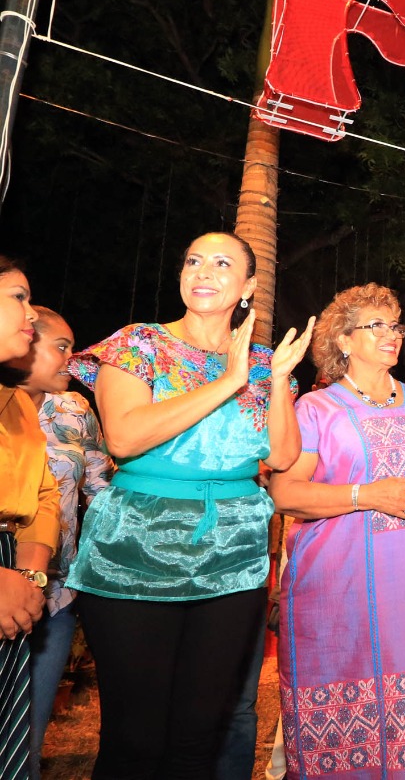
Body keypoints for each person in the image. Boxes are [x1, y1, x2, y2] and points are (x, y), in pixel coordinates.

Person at [66, 231, 313, 777]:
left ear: (248, 286)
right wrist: (229, 379)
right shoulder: (139, 344)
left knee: (199, 739)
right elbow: (125, 439)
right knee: (137, 739)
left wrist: (272, 382)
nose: (202, 270)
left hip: (232, 557)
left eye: (222, 263)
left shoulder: (265, 362)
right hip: (136, 552)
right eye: (193, 260)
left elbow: (283, 453)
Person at [270, 282, 405, 779]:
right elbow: (286, 494)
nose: (392, 334)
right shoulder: (317, 410)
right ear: (344, 340)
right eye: (376, 325)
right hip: (336, 589)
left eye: (395, 324)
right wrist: (365, 495)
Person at [12, 307, 113, 778]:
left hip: (54, 588)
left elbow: (101, 487)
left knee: (29, 726)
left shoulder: (74, 408)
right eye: (61, 347)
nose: (72, 360)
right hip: (5, 577)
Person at [0, 257, 59, 778]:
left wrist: (26, 575)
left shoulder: (18, 405)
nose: (31, 314)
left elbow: (43, 494)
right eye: (18, 297)